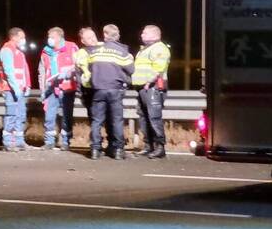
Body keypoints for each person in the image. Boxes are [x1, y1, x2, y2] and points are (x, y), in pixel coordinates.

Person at [86, 24, 134, 160]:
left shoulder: (95, 52)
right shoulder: (122, 52)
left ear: (105, 35)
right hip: (115, 89)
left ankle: (95, 149)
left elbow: (90, 68)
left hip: (98, 90)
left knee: (97, 121)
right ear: (117, 35)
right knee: (116, 120)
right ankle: (118, 150)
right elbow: (131, 70)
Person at [133, 24, 172, 159]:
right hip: (142, 88)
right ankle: (148, 146)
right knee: (144, 117)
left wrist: (149, 81)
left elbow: (158, 68)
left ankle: (160, 147)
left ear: (155, 35)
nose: (142, 35)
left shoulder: (160, 49)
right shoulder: (143, 50)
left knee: (154, 117)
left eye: (145, 33)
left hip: (153, 87)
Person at [38, 27, 79, 151]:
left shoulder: (72, 47)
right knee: (49, 116)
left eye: (52, 37)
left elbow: (78, 65)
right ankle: (49, 141)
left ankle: (66, 141)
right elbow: (42, 72)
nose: (49, 40)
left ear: (60, 37)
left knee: (67, 116)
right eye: (49, 37)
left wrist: (69, 74)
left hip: (67, 88)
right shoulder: (46, 52)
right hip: (51, 89)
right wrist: (42, 90)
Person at [0, 27, 31, 152]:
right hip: (11, 89)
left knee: (21, 115)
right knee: (11, 115)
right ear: (14, 37)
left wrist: (27, 86)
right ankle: (8, 143)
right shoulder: (7, 50)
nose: (23, 40)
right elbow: (8, 71)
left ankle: (19, 142)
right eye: (22, 37)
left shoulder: (19, 52)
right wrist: (15, 87)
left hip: (20, 89)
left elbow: (24, 71)